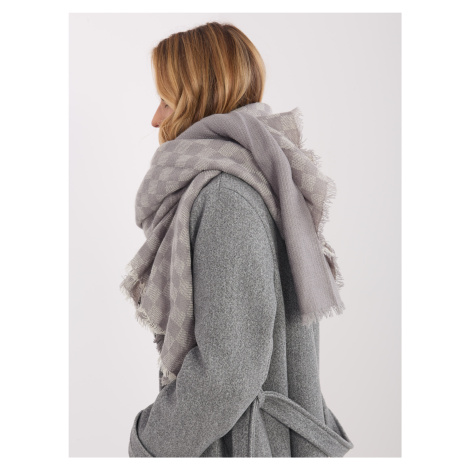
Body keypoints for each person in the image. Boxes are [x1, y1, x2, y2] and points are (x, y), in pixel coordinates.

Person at [120, 21, 354, 458]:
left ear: (198, 99)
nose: (155, 119)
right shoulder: (263, 174)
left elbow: (228, 373)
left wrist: (150, 443)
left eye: (167, 101)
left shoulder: (226, 196)